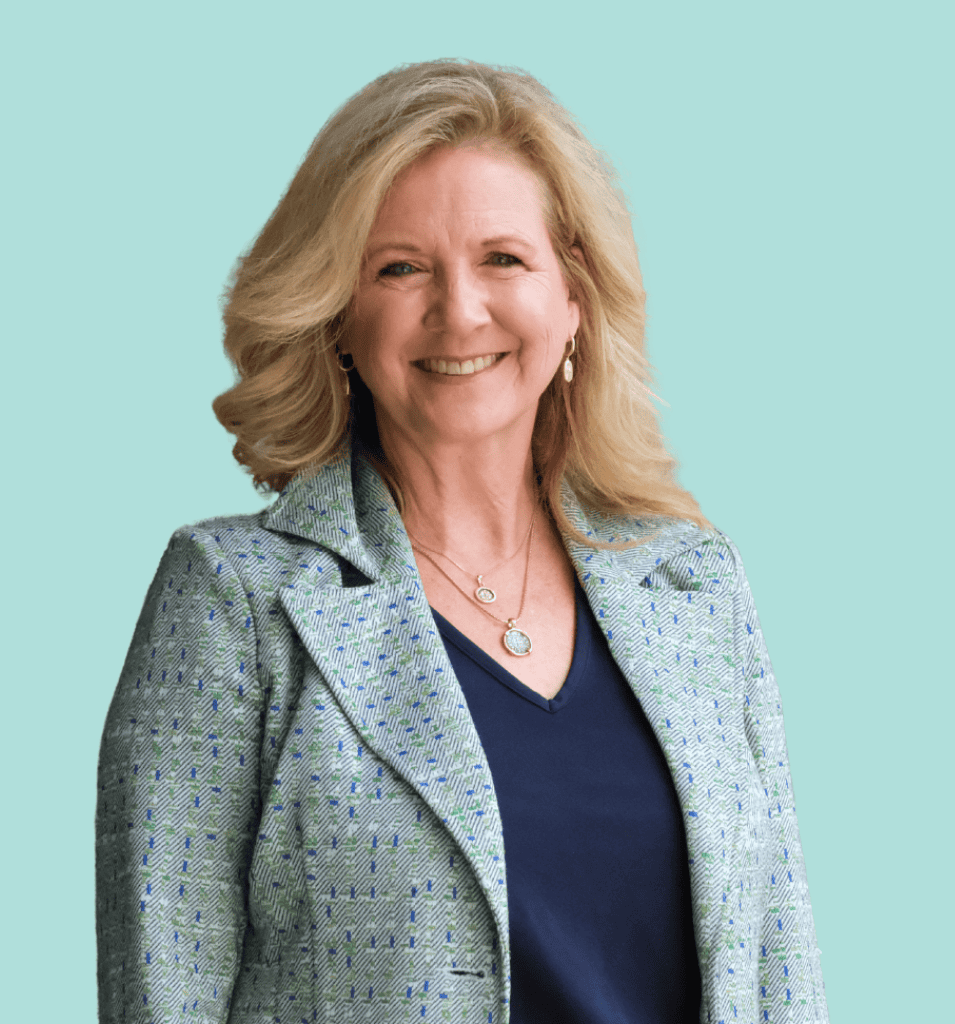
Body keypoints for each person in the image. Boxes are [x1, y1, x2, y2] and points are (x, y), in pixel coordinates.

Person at [95, 59, 829, 1024]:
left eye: (503, 259)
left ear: (573, 299)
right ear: (339, 319)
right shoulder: (236, 602)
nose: (460, 311)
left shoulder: (695, 587)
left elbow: (780, 975)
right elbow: (163, 992)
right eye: (401, 267)